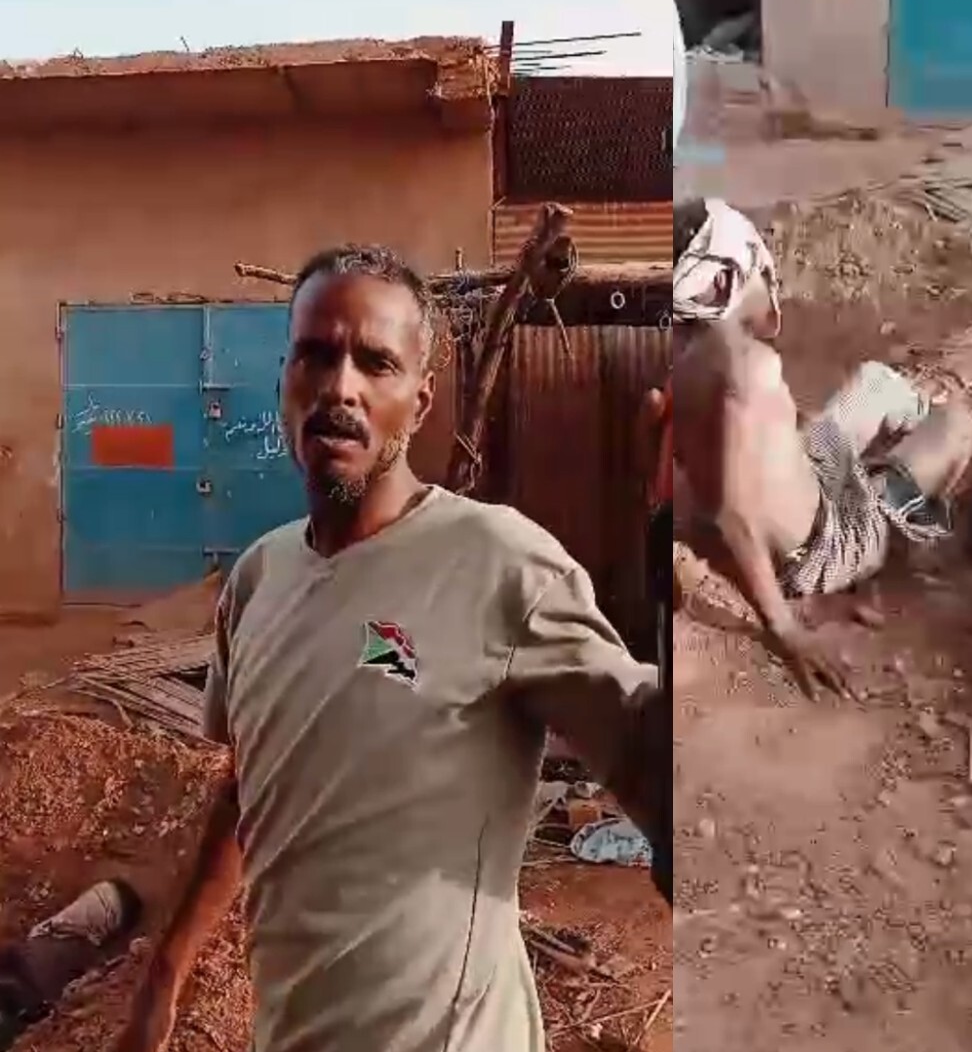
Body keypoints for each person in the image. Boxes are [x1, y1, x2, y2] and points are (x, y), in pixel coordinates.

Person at [114, 245, 669, 1052]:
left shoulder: (500, 563)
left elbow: (652, 761)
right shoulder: (259, 581)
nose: (341, 386)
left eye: (376, 362)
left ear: (420, 399)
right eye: (316, 354)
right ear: (285, 381)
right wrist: (166, 972)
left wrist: (681, 565)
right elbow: (252, 783)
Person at [671, 198, 972, 699]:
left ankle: (893, 463)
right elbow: (731, 512)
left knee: (875, 382)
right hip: (823, 546)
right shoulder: (744, 370)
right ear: (729, 276)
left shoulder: (683, 354)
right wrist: (786, 630)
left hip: (809, 474)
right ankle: (896, 558)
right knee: (960, 423)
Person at [0, 880, 142, 1048]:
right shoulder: (50, 932)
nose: (83, 904)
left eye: (96, 903)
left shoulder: (83, 953)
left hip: (26, 997)